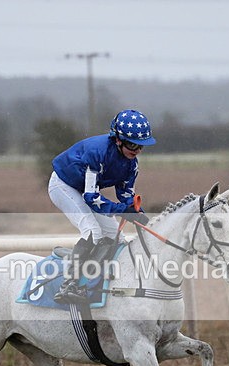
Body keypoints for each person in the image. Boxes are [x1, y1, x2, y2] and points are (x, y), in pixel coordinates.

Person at [48, 109, 154, 304]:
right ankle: (69, 284)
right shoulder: (98, 153)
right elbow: (91, 197)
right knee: (92, 231)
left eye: (141, 146)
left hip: (84, 190)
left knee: (117, 238)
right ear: (118, 139)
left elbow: (125, 195)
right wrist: (124, 211)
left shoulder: (132, 165)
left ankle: (103, 281)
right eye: (132, 144)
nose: (136, 150)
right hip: (63, 185)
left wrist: (138, 213)